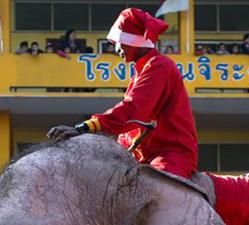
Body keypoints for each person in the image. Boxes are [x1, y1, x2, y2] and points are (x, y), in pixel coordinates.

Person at [46, 8, 199, 179]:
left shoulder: (158, 65)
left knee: (156, 190)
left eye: (119, 41)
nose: (116, 48)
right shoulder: (142, 70)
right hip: (143, 157)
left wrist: (84, 127)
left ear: (133, 42)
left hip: (170, 155)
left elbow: (133, 111)